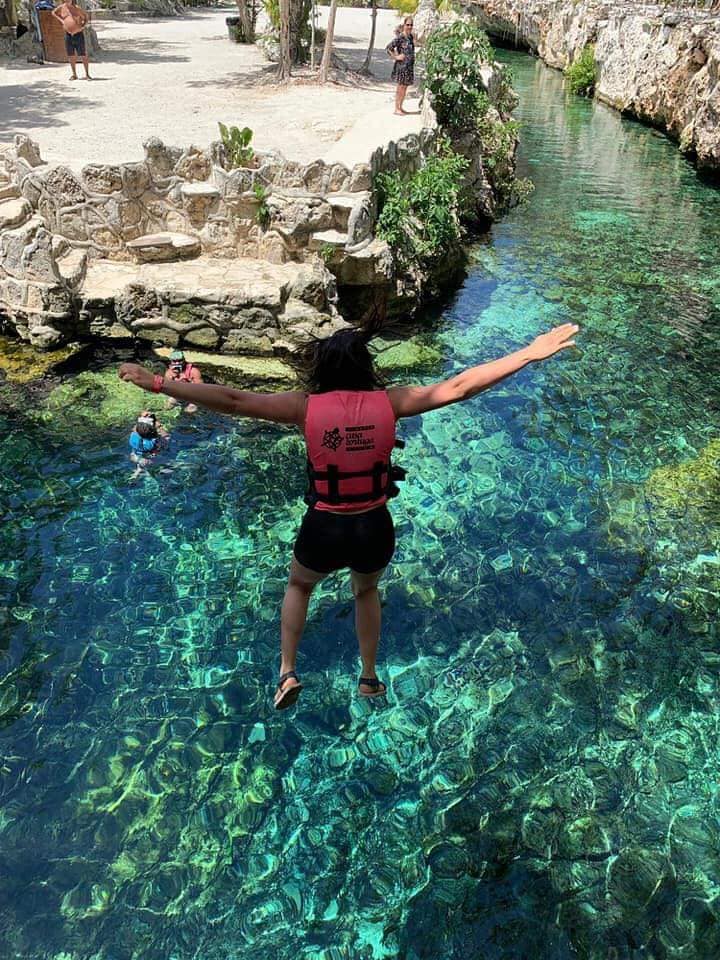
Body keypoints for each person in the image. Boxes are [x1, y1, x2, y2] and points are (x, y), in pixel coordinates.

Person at [118, 322, 579, 710]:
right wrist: (528, 353)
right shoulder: (392, 402)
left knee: (300, 586)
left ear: (322, 368)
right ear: (365, 366)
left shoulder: (305, 406)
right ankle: (369, 677)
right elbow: (461, 386)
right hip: (373, 525)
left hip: (325, 526)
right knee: (366, 591)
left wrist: (158, 383)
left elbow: (233, 400)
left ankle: (287, 671)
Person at [52, 0, 91, 81]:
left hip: (78, 34)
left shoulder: (77, 8)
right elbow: (53, 13)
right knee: (71, 55)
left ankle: (87, 74)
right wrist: (62, 21)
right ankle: (74, 74)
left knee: (83, 54)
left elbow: (86, 17)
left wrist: (82, 27)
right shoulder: (62, 7)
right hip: (68, 34)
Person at [386, 17, 415, 116]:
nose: (409, 27)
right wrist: (396, 57)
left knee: (405, 88)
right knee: (400, 88)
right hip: (401, 67)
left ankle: (400, 107)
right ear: (404, 25)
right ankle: (396, 108)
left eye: (411, 25)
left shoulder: (410, 37)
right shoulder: (400, 37)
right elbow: (389, 48)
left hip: (409, 67)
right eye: (408, 25)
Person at [129, 410, 168, 475]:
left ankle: (138, 470)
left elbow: (138, 428)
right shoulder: (153, 442)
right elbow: (164, 440)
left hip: (134, 457)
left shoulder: (133, 435)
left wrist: (142, 419)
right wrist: (159, 427)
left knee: (141, 464)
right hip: (148, 461)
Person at [164, 350, 203, 414]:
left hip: (192, 396)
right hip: (178, 395)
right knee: (168, 406)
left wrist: (188, 381)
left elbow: (201, 389)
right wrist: (174, 376)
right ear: (171, 362)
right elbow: (167, 388)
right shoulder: (169, 373)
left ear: (184, 361)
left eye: (179, 361)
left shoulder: (194, 371)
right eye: (174, 361)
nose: (177, 363)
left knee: (190, 411)